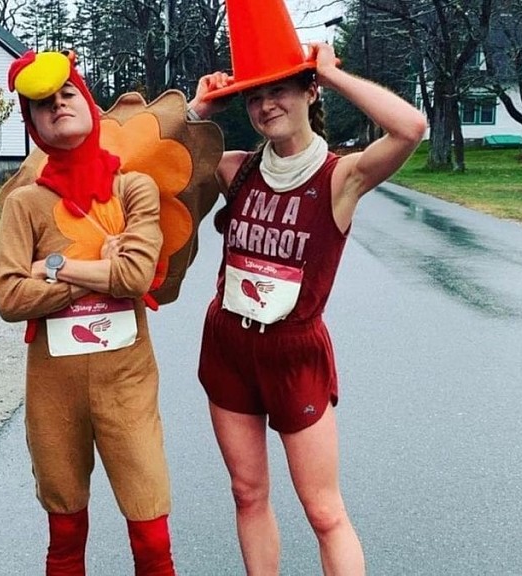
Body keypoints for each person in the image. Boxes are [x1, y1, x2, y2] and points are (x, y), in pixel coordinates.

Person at [186, 6, 428, 574]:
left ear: (308, 92)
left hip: (294, 353)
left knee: (323, 511)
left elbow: (411, 128)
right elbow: (158, 165)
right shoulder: (236, 169)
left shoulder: (341, 177)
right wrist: (197, 110)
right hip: (228, 344)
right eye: (254, 97)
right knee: (248, 493)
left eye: (280, 90)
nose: (266, 105)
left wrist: (332, 73)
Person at [0, 49, 175, 576]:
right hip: (55, 391)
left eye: (67, 93)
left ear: (89, 103)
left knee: (151, 534)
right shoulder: (24, 204)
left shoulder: (134, 188)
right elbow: (9, 298)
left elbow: (136, 276)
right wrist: (95, 271)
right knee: (66, 533)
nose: (58, 105)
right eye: (43, 103)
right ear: (32, 123)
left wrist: (52, 269)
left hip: (127, 385)